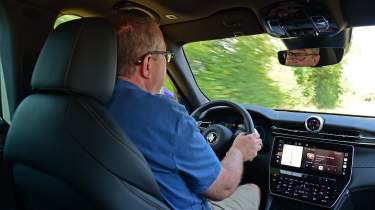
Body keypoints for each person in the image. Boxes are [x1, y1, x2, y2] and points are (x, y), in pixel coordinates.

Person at [108, 10, 263, 210]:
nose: (166, 62)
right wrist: (239, 151)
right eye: (165, 55)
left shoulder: (84, 104)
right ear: (147, 64)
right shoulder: (166, 115)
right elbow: (222, 188)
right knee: (254, 190)